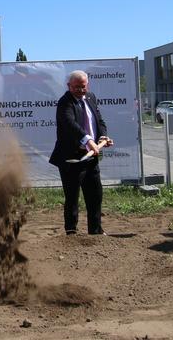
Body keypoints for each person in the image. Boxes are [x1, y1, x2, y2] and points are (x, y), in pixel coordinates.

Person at [49, 70, 114, 235]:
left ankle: (96, 230)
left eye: (83, 86)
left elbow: (99, 120)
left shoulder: (91, 97)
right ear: (69, 86)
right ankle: (71, 231)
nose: (80, 90)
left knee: (95, 194)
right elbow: (71, 125)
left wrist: (103, 137)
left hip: (91, 157)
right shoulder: (65, 102)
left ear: (87, 85)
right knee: (72, 197)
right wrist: (89, 141)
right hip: (71, 157)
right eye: (76, 87)